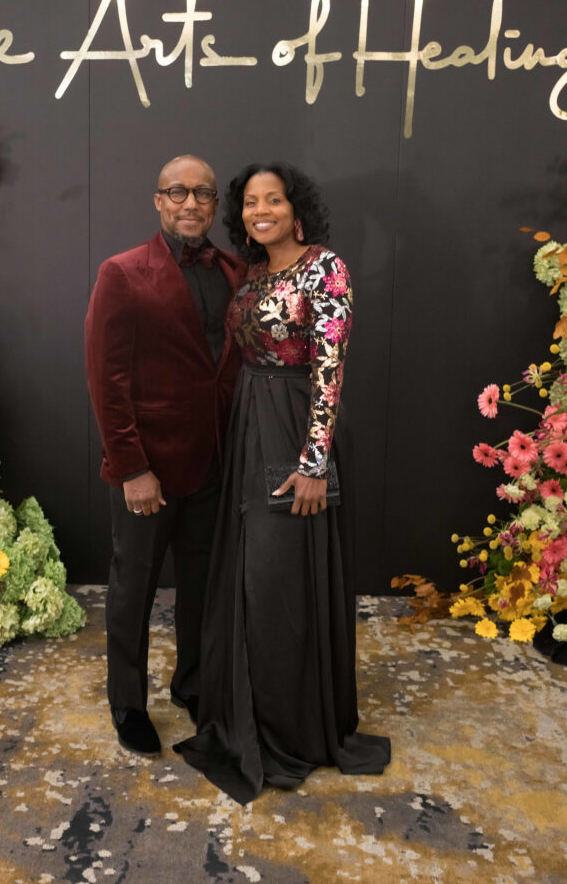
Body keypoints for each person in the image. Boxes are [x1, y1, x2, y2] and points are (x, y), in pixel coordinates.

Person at [174, 161, 391, 803]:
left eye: (272, 200)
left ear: (297, 211)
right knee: (243, 573)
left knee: (279, 579)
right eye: (247, 202)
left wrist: (314, 462)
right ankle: (244, 715)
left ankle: (286, 729)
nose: (258, 210)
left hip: (296, 425)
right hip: (249, 422)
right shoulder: (254, 274)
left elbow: (331, 369)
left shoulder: (327, 267)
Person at [85, 154, 245, 756]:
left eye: (203, 193)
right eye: (177, 192)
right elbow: (107, 380)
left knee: (202, 586)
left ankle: (194, 685)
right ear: (158, 200)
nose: (191, 203)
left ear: (213, 205)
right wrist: (131, 468)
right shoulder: (122, 273)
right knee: (133, 590)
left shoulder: (234, 271)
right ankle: (126, 702)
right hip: (147, 470)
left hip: (214, 464)